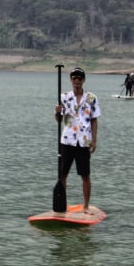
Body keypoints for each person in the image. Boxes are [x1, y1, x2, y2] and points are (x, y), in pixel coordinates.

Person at [54, 67, 101, 214]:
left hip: (84, 141)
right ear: (71, 80)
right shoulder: (63, 97)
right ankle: (62, 205)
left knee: (85, 175)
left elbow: (94, 120)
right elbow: (59, 120)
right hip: (67, 140)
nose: (77, 81)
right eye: (74, 78)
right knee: (63, 174)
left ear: (83, 80)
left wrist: (94, 140)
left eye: (79, 78)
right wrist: (57, 113)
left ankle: (86, 206)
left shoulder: (91, 98)